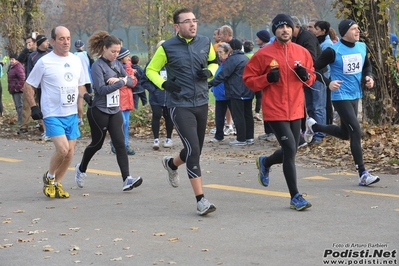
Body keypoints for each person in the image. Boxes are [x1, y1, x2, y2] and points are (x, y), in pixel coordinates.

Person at [146, 7, 218, 215]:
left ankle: (171, 163)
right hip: (179, 104)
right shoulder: (167, 47)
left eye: (194, 20)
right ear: (177, 26)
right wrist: (164, 84)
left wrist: (210, 72)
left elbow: (214, 62)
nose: (192, 24)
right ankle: (201, 200)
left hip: (201, 102)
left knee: (193, 149)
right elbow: (150, 70)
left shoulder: (205, 43)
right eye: (187, 21)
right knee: (194, 151)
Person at [243, 14, 316, 211]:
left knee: (291, 148)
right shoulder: (263, 54)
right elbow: (248, 80)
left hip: (296, 109)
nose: (285, 30)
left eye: (288, 27)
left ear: (293, 29)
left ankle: (265, 162)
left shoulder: (302, 52)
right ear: (275, 31)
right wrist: (267, 78)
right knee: (290, 149)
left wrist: (306, 76)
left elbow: (311, 78)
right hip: (275, 110)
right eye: (280, 27)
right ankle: (295, 197)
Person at [308, 19, 380, 187]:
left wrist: (369, 77)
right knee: (356, 130)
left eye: (358, 28)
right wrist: (328, 83)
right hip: (340, 95)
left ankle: (315, 127)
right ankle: (363, 173)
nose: (358, 31)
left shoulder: (362, 47)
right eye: (354, 29)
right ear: (345, 32)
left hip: (355, 94)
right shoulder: (333, 51)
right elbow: (314, 69)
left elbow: (367, 66)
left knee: (345, 133)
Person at [74, 31, 143, 192]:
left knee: (120, 144)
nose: (116, 54)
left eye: (118, 52)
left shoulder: (117, 64)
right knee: (97, 144)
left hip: (115, 110)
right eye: (113, 51)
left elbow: (132, 82)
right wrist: (121, 82)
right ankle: (81, 168)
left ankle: (127, 179)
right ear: (104, 49)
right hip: (99, 110)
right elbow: (101, 89)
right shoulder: (97, 66)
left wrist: (120, 80)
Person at [24, 26, 87, 198]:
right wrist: (34, 106)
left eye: (68, 38)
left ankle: (57, 183)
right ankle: (50, 177)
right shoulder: (44, 62)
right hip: (52, 113)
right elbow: (29, 85)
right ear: (53, 41)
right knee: (63, 149)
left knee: (70, 153)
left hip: (71, 113)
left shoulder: (76, 60)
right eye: (61, 38)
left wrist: (87, 96)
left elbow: (80, 84)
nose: (66, 42)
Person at [209, 38, 254, 146]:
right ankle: (249, 137)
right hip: (247, 90)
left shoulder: (233, 59)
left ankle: (241, 139)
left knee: (238, 115)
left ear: (231, 48)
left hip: (237, 91)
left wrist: (210, 84)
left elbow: (224, 74)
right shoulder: (245, 58)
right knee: (248, 115)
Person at [291, 15, 326, 146]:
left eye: (289, 26)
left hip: (316, 74)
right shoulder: (295, 38)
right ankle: (311, 131)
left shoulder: (307, 37)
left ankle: (320, 134)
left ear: (296, 26)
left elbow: (312, 57)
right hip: (304, 75)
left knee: (318, 106)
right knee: (310, 107)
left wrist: (298, 63)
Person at [143, 40, 174, 150]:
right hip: (156, 97)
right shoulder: (152, 63)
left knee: (169, 117)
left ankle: (169, 138)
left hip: (170, 97)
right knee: (156, 115)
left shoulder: (173, 63)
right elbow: (144, 80)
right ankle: (156, 139)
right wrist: (154, 90)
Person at [109, 47, 136, 155]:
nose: (129, 58)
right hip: (119, 98)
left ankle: (125, 144)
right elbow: (114, 82)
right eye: (127, 56)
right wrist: (124, 81)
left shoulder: (128, 67)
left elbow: (133, 82)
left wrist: (123, 81)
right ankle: (118, 143)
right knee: (121, 122)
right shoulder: (114, 67)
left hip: (127, 98)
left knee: (126, 123)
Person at [26, 34, 52, 141]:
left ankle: (54, 130)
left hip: (51, 86)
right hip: (40, 88)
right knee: (43, 109)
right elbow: (29, 72)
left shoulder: (51, 53)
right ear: (41, 43)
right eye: (46, 42)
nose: (48, 43)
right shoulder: (32, 56)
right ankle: (46, 131)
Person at [254, 30, 276, 142]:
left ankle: (272, 131)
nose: (256, 39)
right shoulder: (262, 50)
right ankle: (268, 131)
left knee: (269, 107)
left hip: (269, 82)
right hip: (264, 81)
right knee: (265, 107)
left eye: (257, 37)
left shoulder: (267, 51)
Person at [209, 42, 232, 143]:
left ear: (227, 52)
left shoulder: (228, 64)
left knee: (234, 115)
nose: (219, 54)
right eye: (217, 52)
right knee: (219, 116)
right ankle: (219, 135)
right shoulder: (221, 64)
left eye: (221, 52)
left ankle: (241, 135)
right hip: (219, 95)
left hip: (227, 94)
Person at [314, 20, 334, 125]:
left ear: (323, 30)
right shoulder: (320, 41)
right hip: (322, 75)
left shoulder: (327, 44)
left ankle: (328, 123)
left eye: (316, 29)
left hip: (326, 76)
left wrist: (327, 79)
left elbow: (328, 63)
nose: (314, 31)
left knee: (326, 102)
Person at [17, 35, 37, 134]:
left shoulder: (40, 52)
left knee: (41, 104)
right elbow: (19, 60)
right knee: (26, 104)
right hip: (29, 81)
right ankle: (24, 126)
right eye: (27, 43)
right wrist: (26, 49)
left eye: (30, 42)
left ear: (35, 42)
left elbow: (49, 49)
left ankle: (43, 125)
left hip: (40, 82)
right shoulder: (27, 53)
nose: (28, 44)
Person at [74, 40, 94, 125]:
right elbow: (93, 65)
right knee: (90, 99)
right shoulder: (87, 54)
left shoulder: (73, 55)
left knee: (80, 100)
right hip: (87, 79)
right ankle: (92, 116)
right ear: (83, 46)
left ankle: (80, 119)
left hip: (78, 80)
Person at [7, 54, 25, 125]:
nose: (11, 61)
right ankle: (20, 120)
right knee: (17, 106)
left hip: (18, 90)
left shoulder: (18, 67)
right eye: (10, 59)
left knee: (20, 106)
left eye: (12, 59)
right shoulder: (12, 67)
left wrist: (17, 88)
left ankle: (21, 121)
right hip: (13, 89)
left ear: (16, 60)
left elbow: (22, 78)